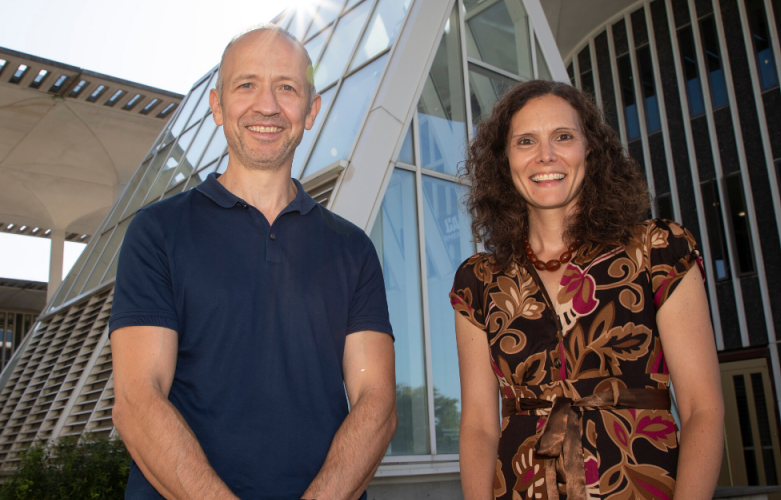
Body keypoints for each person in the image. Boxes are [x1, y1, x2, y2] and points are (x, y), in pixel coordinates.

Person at [109, 24, 397, 500]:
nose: (267, 105)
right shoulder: (157, 232)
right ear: (217, 106)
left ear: (311, 110)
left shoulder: (352, 249)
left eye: (287, 87)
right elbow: (138, 400)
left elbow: (377, 402)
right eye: (247, 85)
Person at [450, 80, 724, 500]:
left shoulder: (658, 250)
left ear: (590, 150)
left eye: (563, 136)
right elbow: (479, 427)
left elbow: (702, 409)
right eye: (526, 141)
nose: (546, 155)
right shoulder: (478, 281)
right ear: (504, 162)